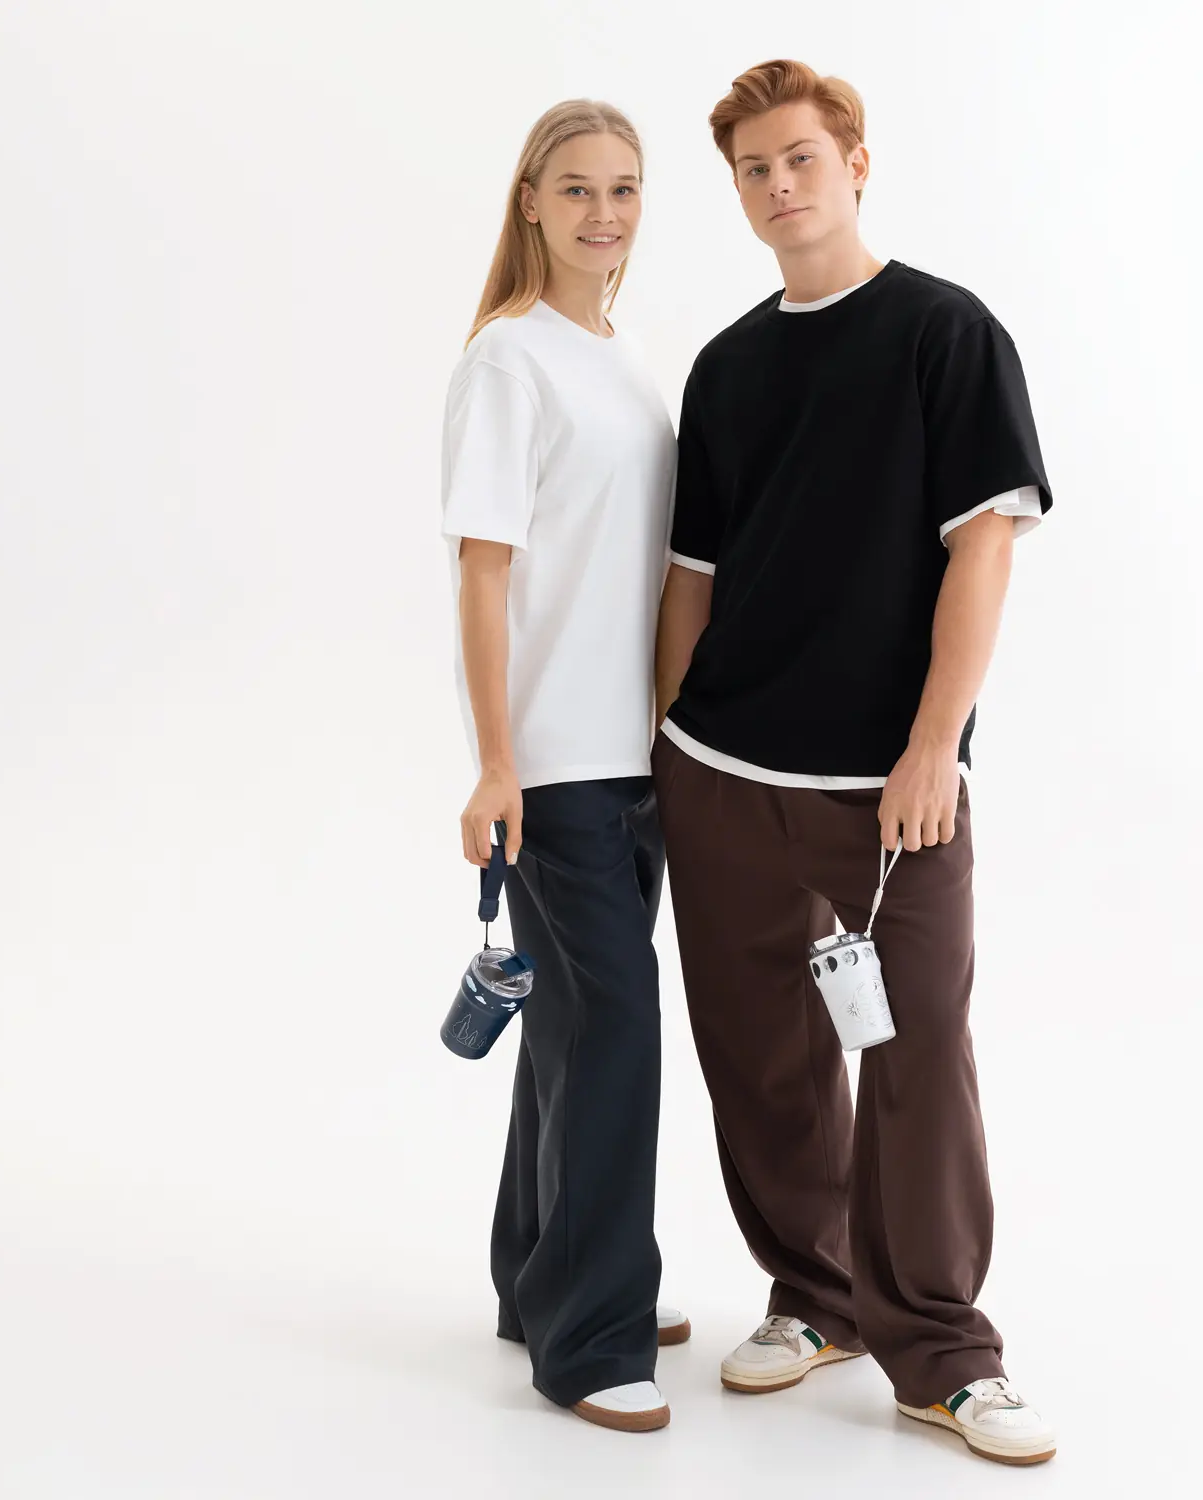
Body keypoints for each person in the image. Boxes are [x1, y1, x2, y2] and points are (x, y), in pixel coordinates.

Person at [652, 60, 1058, 1465]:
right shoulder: (726, 367)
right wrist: (665, 749)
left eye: (801, 159)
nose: (779, 186)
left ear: (857, 163)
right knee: (761, 1057)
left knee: (916, 1056)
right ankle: (815, 1296)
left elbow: (983, 550)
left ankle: (941, 1352)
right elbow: (692, 580)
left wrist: (935, 745)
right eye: (754, 169)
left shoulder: (947, 334)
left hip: (891, 791)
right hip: (720, 771)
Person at [439, 99, 687, 1433]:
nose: (604, 212)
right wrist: (497, 763)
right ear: (530, 199)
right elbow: (483, 571)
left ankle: (539, 1277)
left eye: (625, 189)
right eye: (578, 188)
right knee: (616, 1029)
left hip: (636, 754)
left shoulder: (624, 357)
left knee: (574, 1029)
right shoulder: (508, 359)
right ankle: (590, 1340)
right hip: (554, 762)